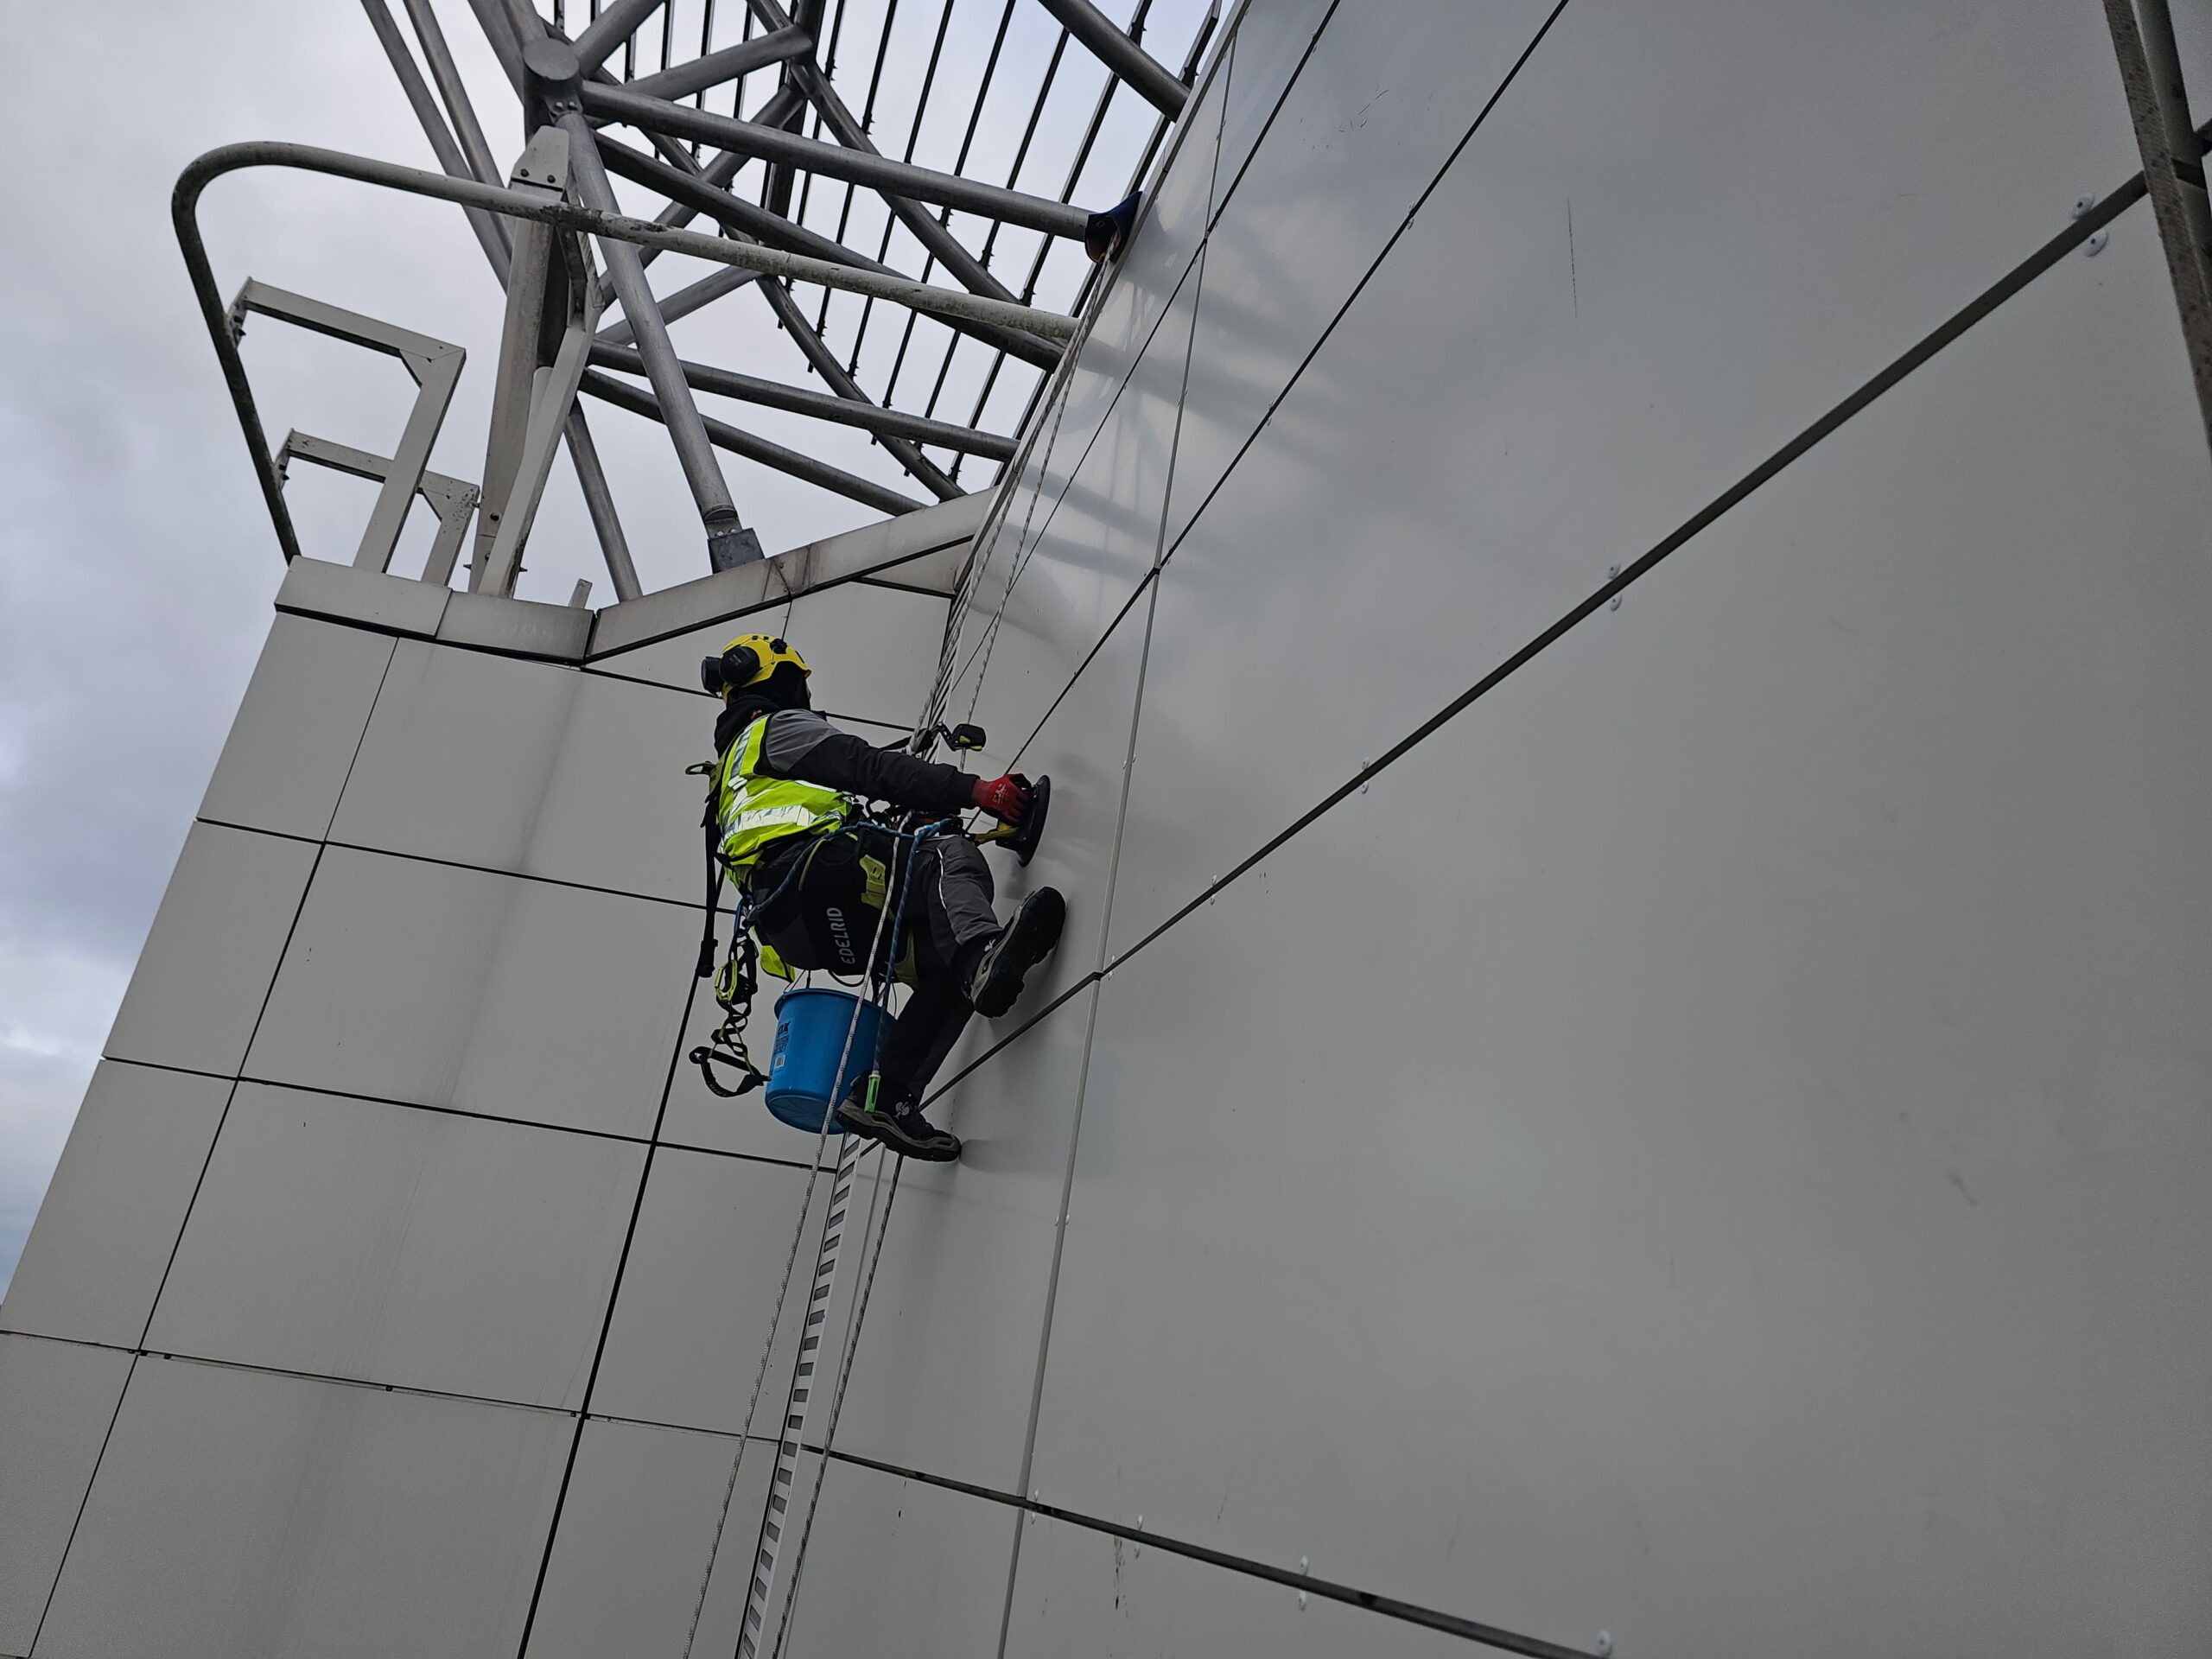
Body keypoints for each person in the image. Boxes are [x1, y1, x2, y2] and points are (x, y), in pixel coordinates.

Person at [703, 633, 1065, 1161]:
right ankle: (980, 953)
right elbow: (870, 768)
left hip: (795, 928)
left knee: (946, 969)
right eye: (799, 682)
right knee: (945, 853)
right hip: (818, 875)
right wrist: (976, 791)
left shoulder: (727, 775)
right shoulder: (772, 730)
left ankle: (886, 1097)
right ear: (776, 680)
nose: (806, 694)